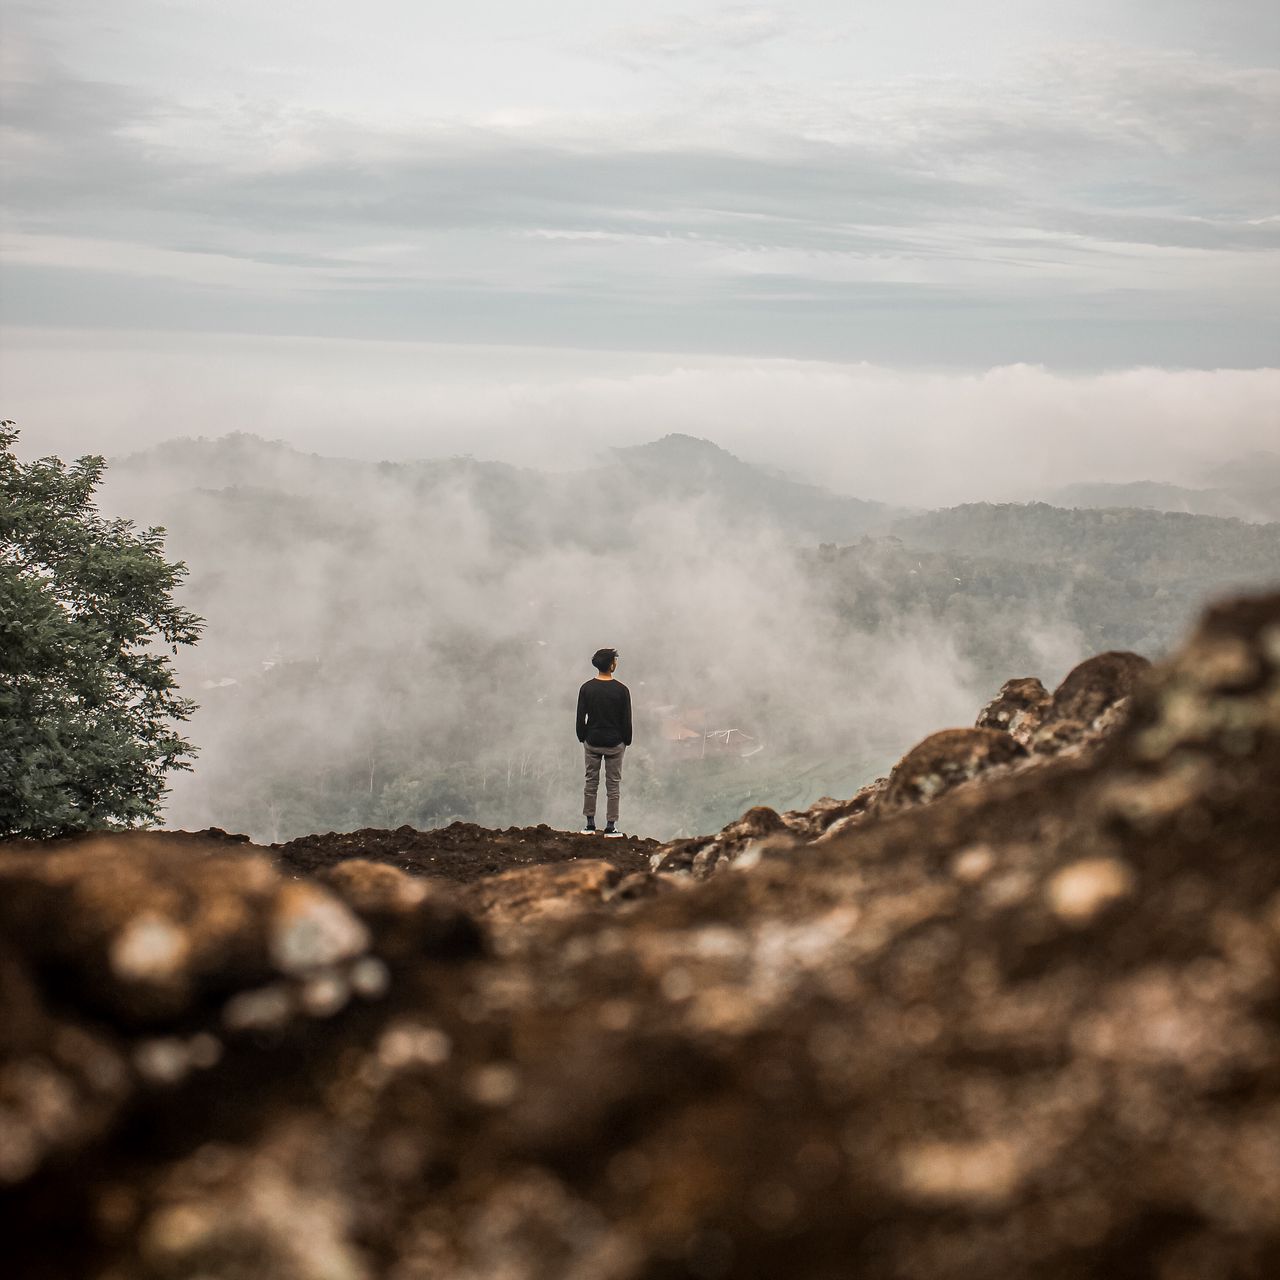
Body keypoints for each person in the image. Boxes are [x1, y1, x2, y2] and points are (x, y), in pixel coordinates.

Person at [576, 647, 632, 836]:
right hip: (615, 743)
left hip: (592, 740)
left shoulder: (586, 688)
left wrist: (582, 736)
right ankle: (611, 826)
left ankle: (589, 824)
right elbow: (626, 720)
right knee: (613, 785)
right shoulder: (622, 690)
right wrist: (626, 741)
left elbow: (580, 717)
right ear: (611, 664)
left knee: (591, 782)